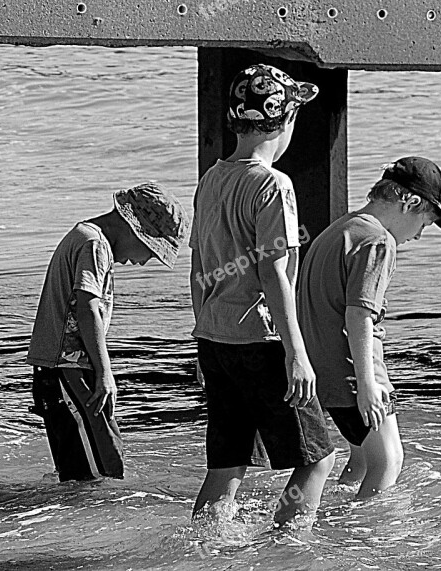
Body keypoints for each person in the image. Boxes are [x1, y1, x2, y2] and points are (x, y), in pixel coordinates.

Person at [189, 64, 335, 525]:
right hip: (260, 341)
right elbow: (275, 276)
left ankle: (203, 548)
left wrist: (202, 338)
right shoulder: (273, 184)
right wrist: (297, 354)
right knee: (316, 458)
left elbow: (198, 269)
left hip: (216, 339)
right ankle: (288, 546)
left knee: (227, 464)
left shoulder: (212, 178)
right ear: (286, 120)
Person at [297, 156, 441, 499]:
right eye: (425, 224)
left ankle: (334, 521)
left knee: (362, 460)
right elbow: (359, 315)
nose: (418, 236)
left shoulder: (340, 228)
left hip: (324, 371)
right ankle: (366, 540)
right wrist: (367, 384)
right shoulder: (378, 241)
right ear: (410, 203)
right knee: (389, 460)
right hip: (354, 372)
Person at [27, 183, 189, 482]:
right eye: (150, 250)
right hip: (70, 370)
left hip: (61, 371)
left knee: (81, 470)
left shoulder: (86, 238)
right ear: (132, 228)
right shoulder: (94, 244)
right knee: (103, 471)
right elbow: (87, 308)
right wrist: (105, 373)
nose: (143, 261)